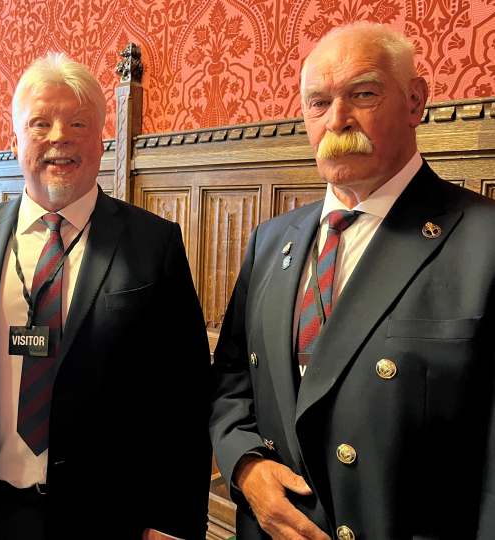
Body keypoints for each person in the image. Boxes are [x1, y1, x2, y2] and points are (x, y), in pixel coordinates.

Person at [209, 22, 495, 540]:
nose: (337, 119)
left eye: (362, 94)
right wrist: (245, 466)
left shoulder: (485, 241)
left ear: (414, 101)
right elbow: (231, 381)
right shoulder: (269, 241)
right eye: (318, 103)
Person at [0, 53, 211, 540]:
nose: (59, 136)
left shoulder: (154, 244)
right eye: (39, 123)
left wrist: (171, 519)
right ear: (15, 140)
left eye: (78, 122)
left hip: (107, 515)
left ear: (103, 140)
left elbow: (185, 394)